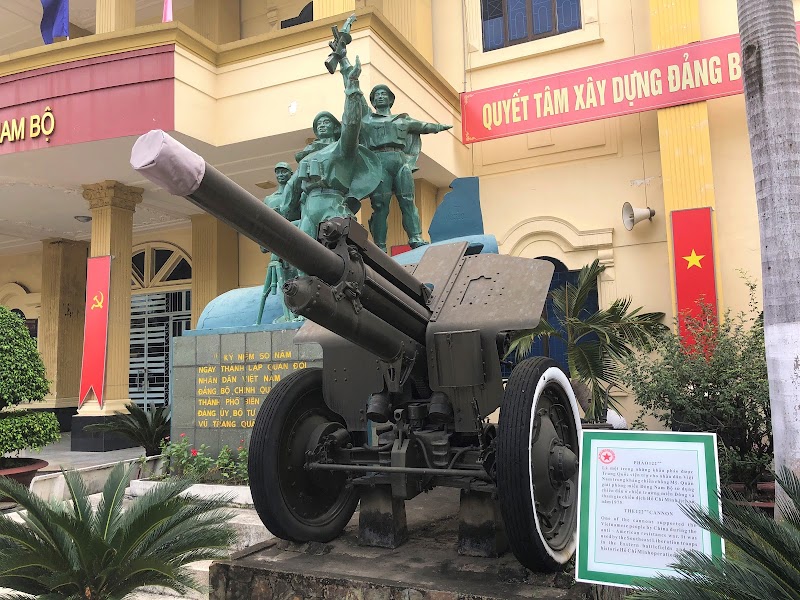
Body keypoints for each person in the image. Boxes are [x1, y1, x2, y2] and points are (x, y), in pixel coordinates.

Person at [280, 54, 382, 244]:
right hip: (309, 208)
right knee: (301, 257)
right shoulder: (307, 158)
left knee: (339, 255)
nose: (322, 125)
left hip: (333, 204)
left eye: (327, 121)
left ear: (336, 127)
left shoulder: (341, 149)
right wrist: (282, 216)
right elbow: (292, 189)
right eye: (318, 123)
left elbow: (352, 124)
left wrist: (352, 86)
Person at [356, 83, 452, 252]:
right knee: (380, 206)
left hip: (400, 161)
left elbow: (422, 126)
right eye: (377, 94)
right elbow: (356, 97)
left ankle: (415, 237)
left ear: (390, 99)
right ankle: (380, 246)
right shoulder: (367, 120)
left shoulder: (402, 120)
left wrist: (439, 127)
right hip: (379, 162)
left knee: (407, 201)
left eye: (384, 94)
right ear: (372, 101)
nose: (380, 96)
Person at [256, 162, 301, 324]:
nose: (281, 175)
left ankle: (299, 312)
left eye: (284, 172)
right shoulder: (269, 199)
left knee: (298, 278)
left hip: (296, 243)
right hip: (278, 246)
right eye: (278, 172)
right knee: (284, 281)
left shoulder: (298, 196)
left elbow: (305, 219)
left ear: (291, 174)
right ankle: (288, 313)